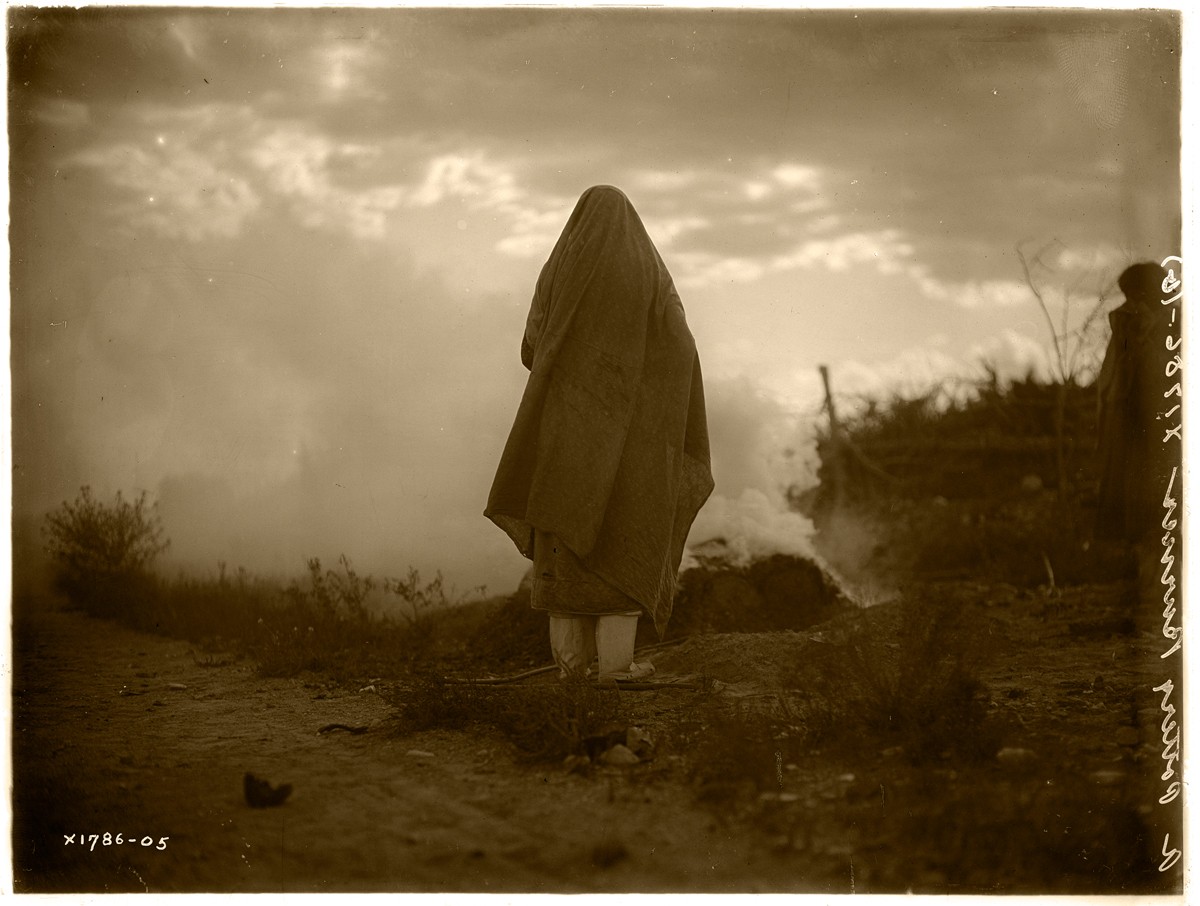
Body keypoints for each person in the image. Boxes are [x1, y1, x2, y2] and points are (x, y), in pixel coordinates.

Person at [485, 185, 714, 680]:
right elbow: (681, 348)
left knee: (563, 545)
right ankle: (616, 669)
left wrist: (574, 378)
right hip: (633, 443)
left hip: (566, 436)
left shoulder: (558, 270)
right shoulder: (649, 272)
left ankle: (571, 672)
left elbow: (531, 347)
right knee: (623, 538)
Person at [1094, 260, 1179, 597]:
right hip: (1136, 428)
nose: (1132, 303)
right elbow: (1113, 383)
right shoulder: (1129, 325)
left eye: (1138, 295)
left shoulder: (1177, 324)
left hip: (1169, 428)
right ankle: (1149, 577)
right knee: (1140, 505)